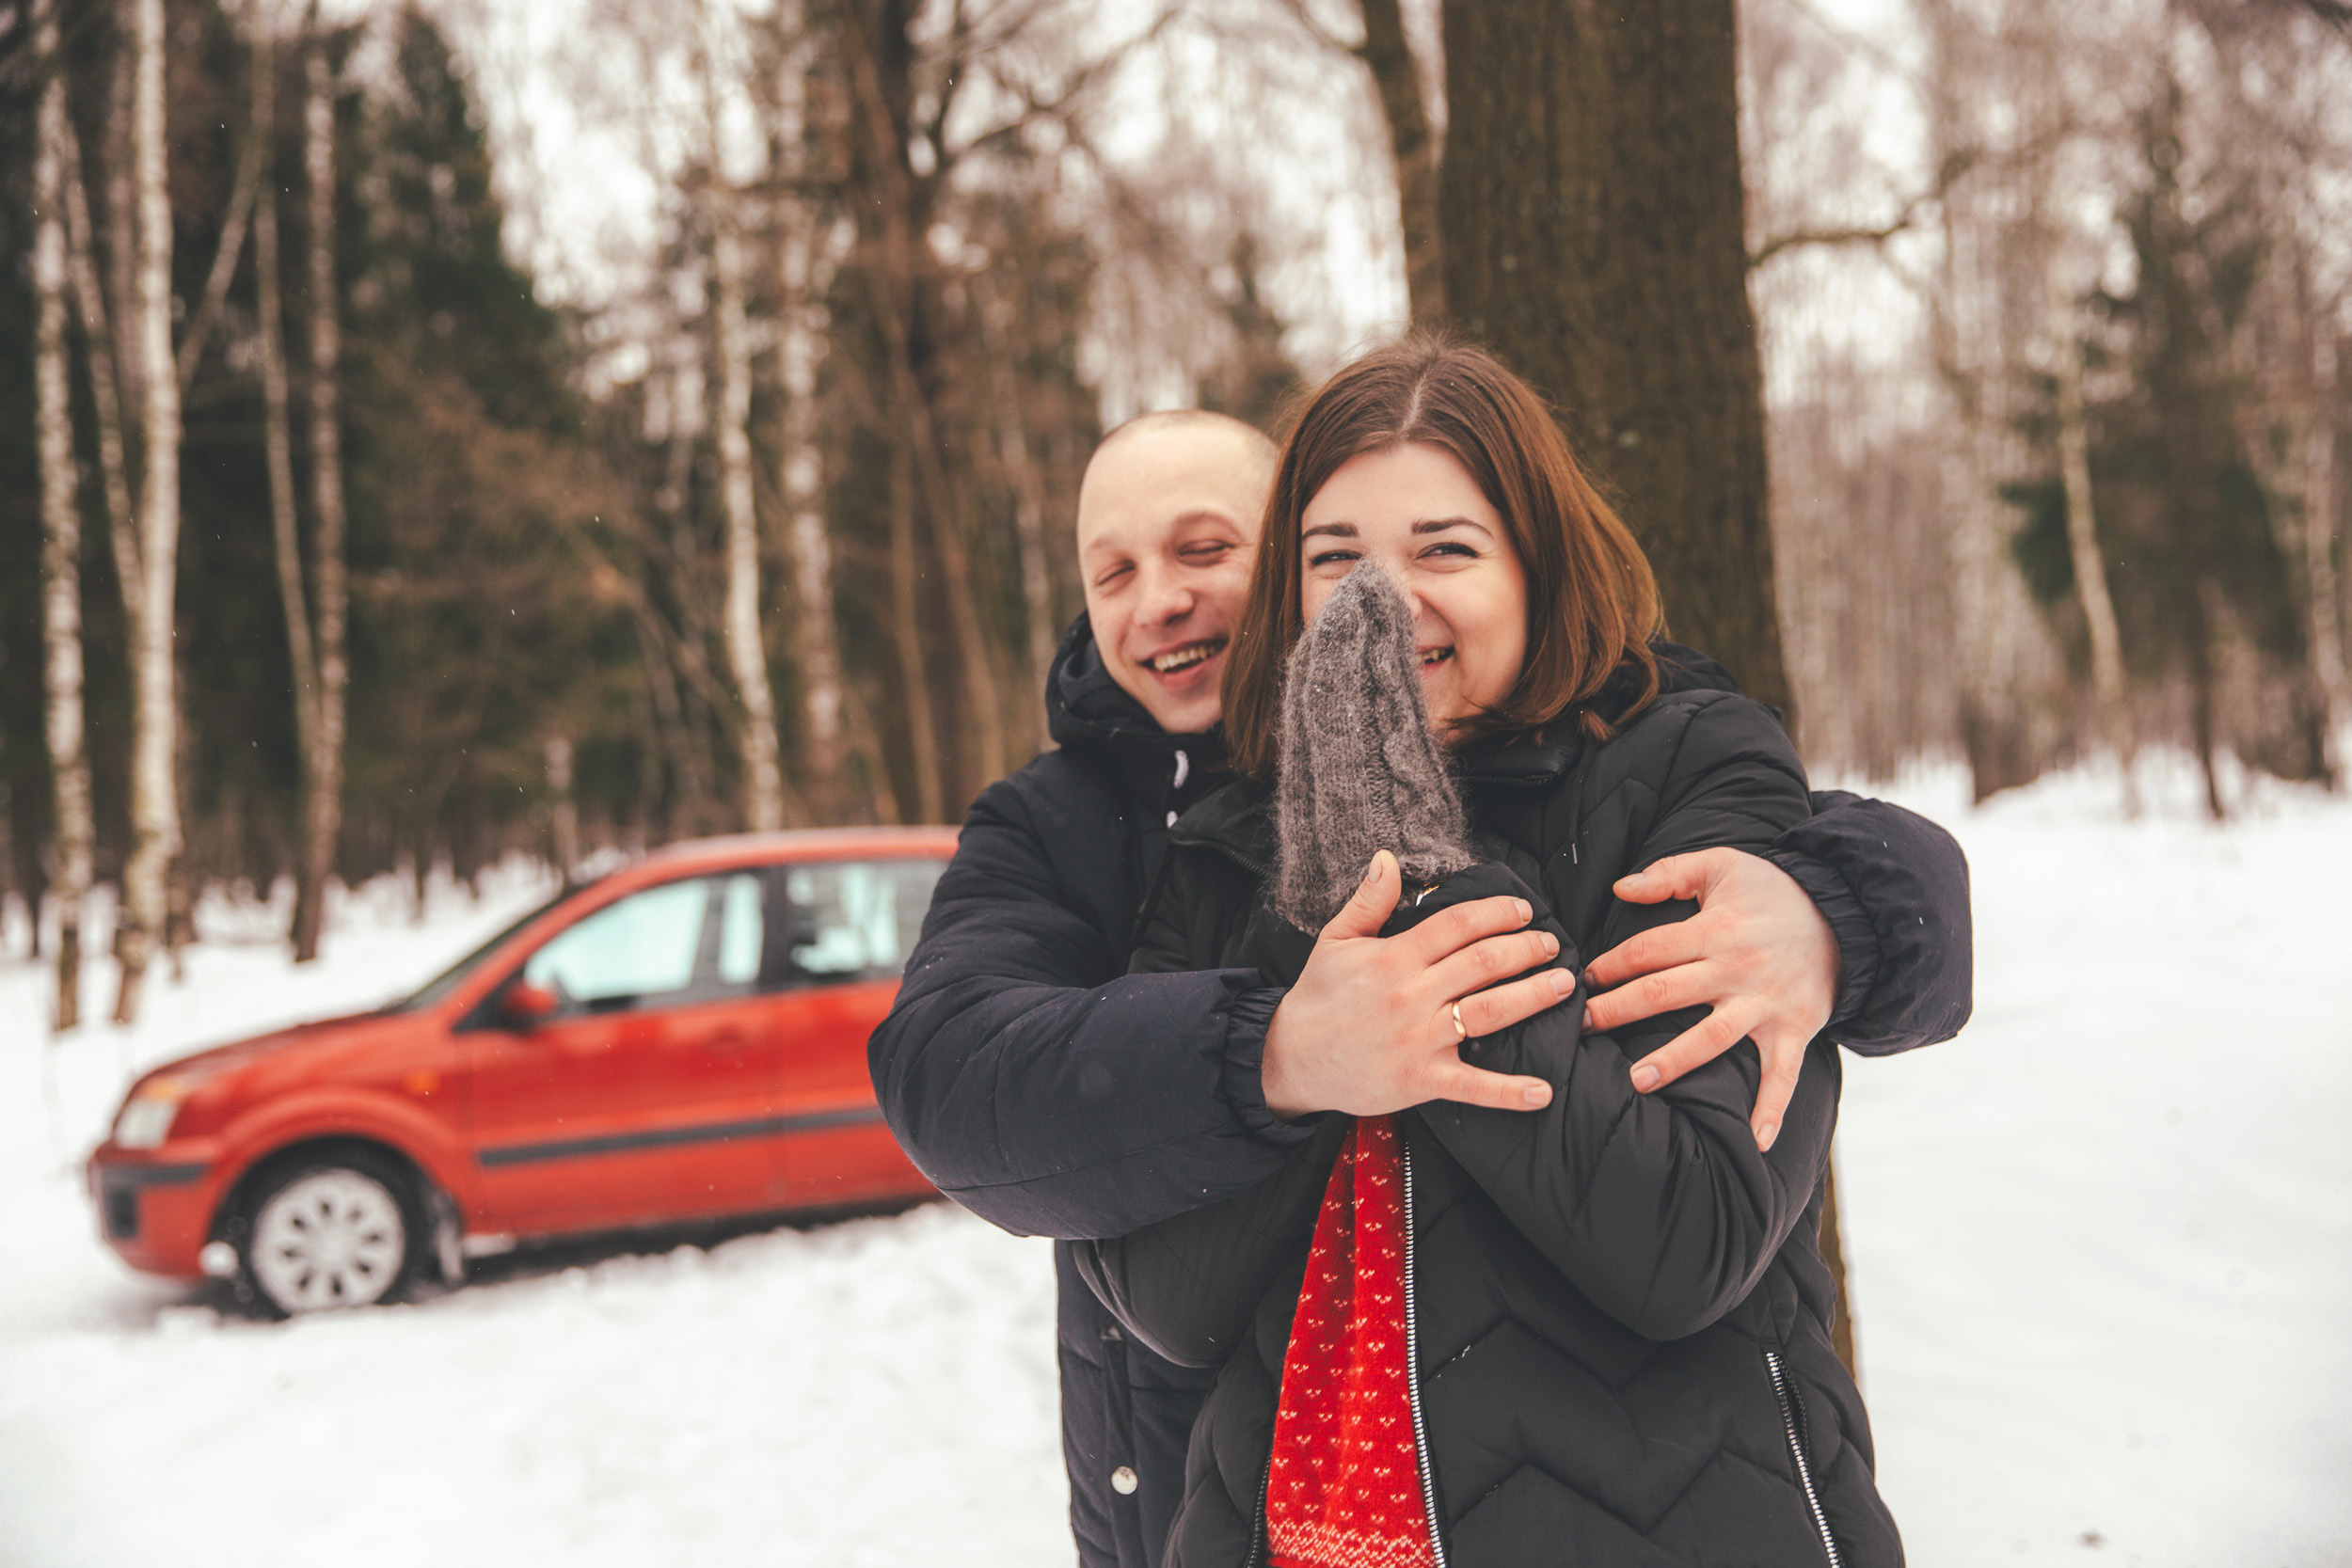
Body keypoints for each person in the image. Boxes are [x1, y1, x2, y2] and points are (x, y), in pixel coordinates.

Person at [869, 405, 1965, 1568]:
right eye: (1113, 570)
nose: (1158, 601)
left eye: (1204, 550)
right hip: (1200, 1494)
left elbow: (1772, 840)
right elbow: (949, 1071)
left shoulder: (1640, 751)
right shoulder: (1079, 823)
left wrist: (1843, 908)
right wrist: (1277, 1054)